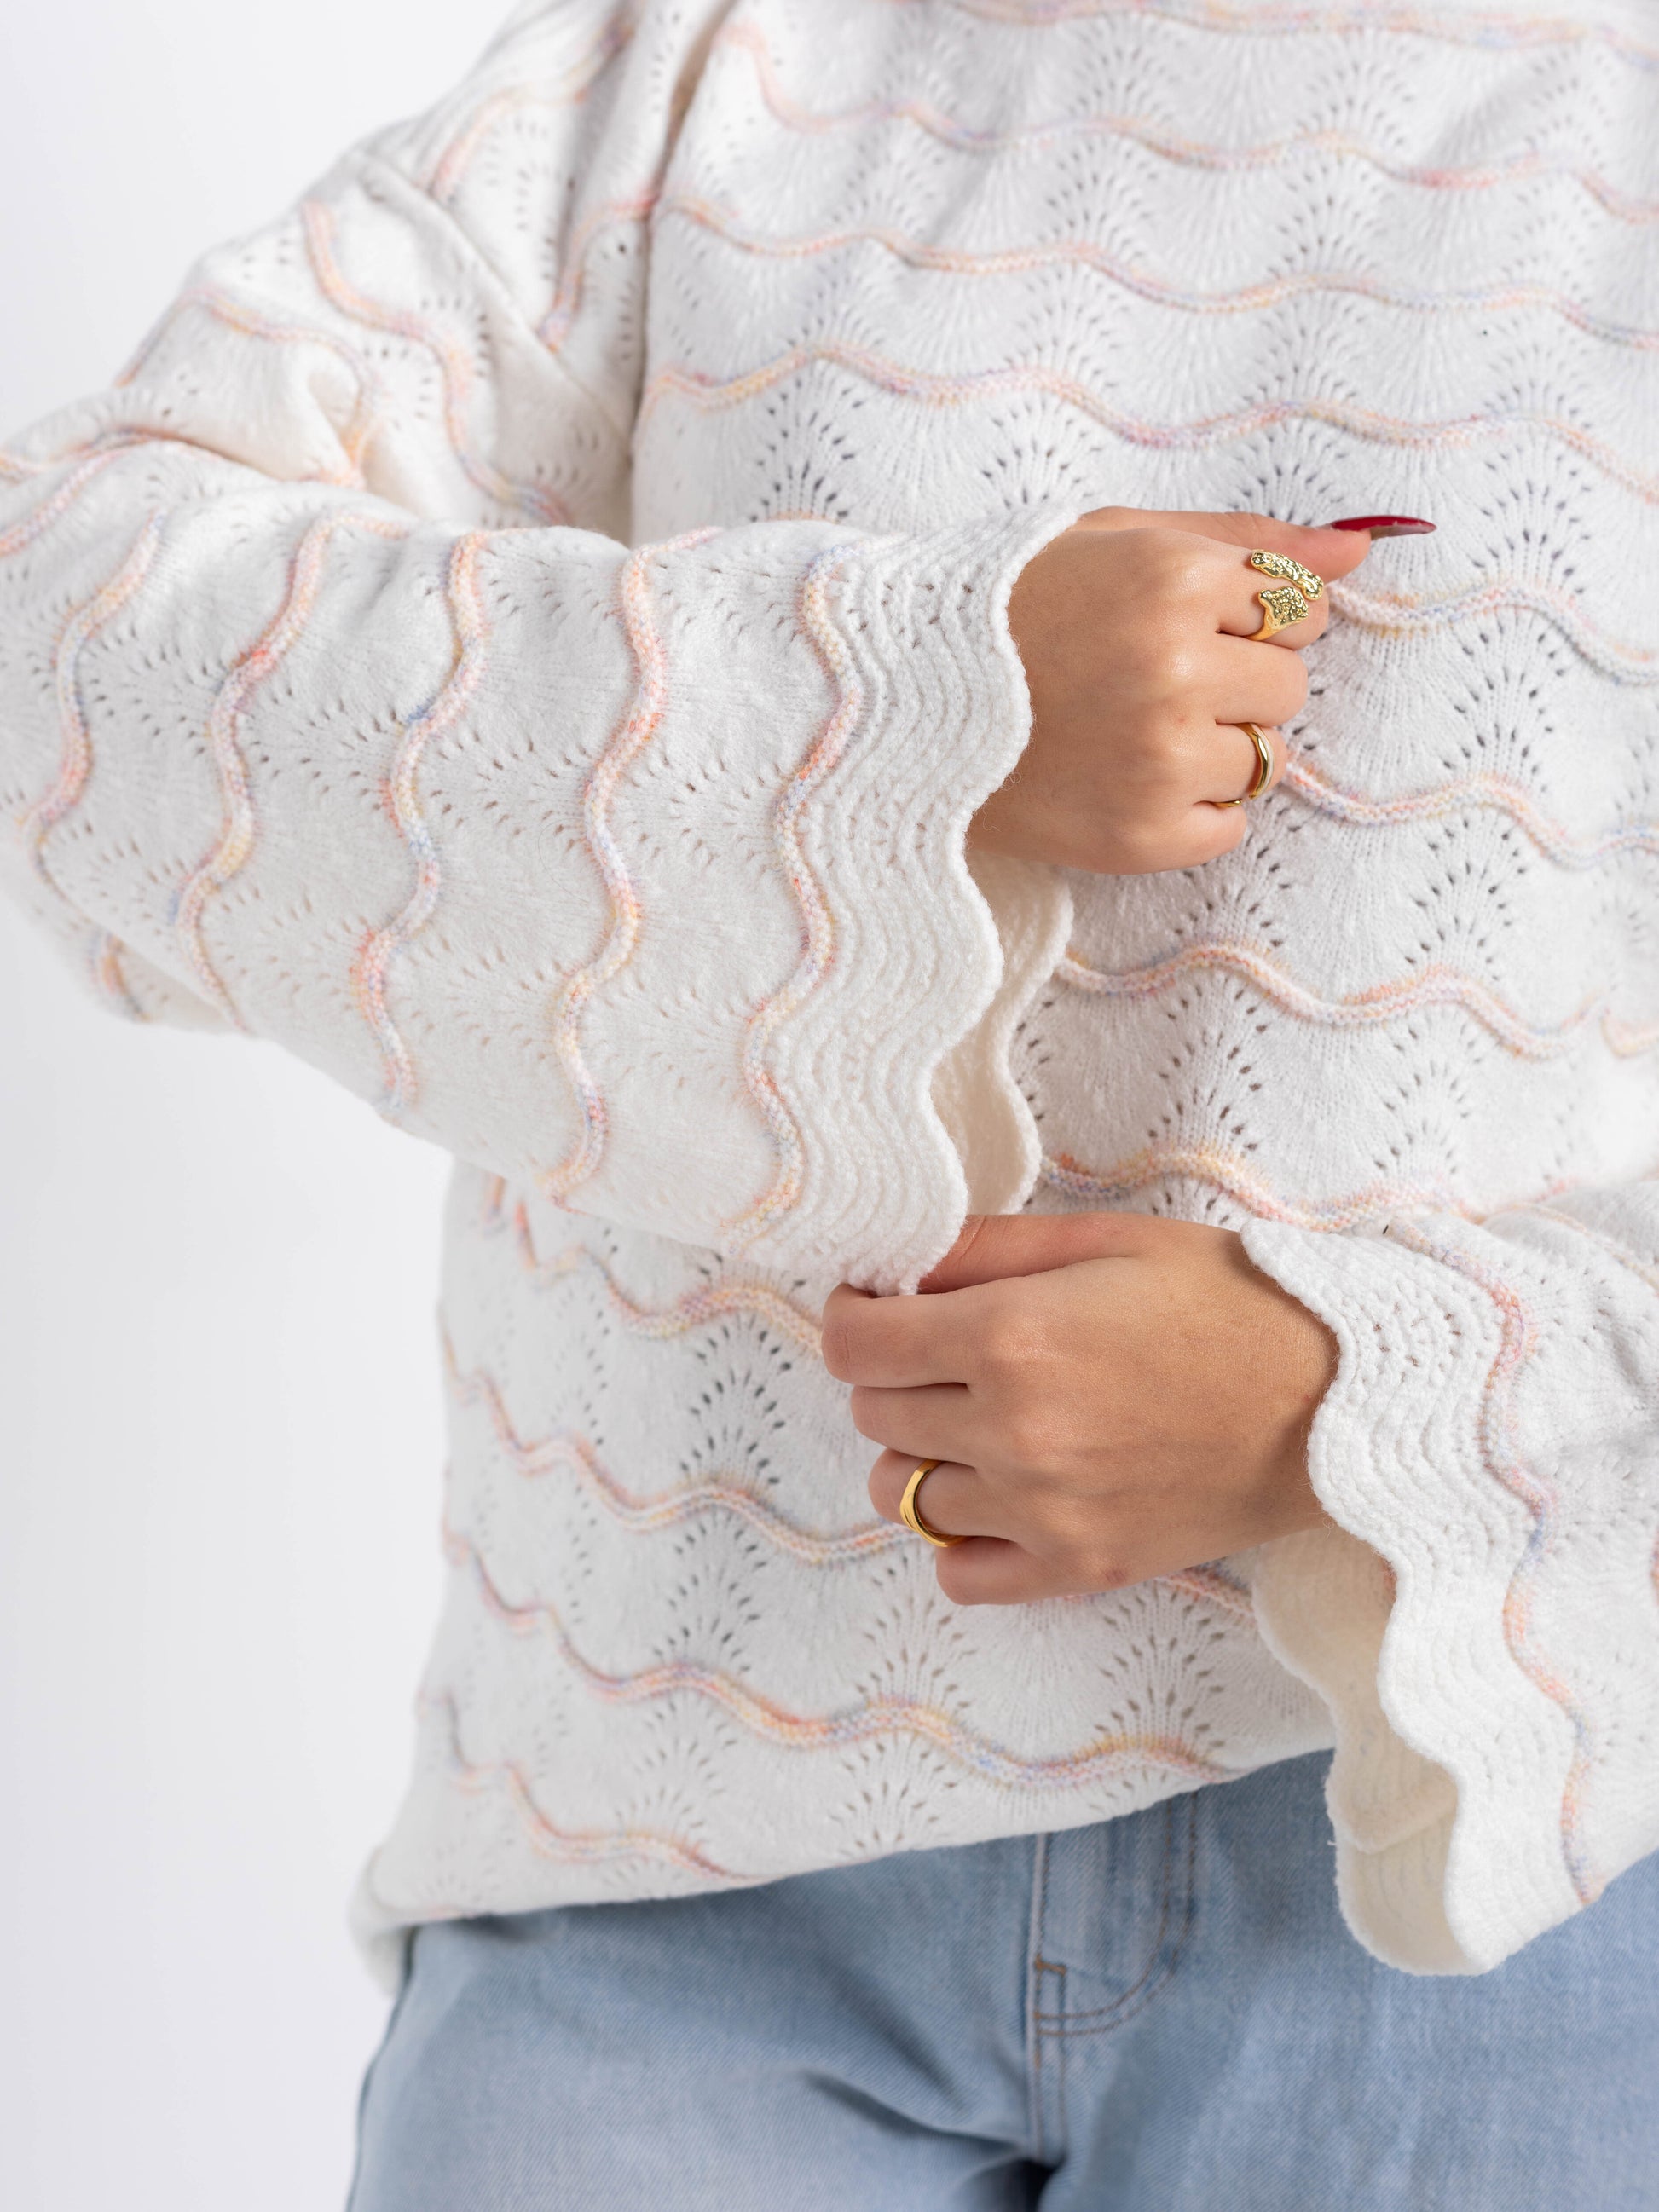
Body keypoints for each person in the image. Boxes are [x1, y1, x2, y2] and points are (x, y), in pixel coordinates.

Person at [4, 0, 1657, 2202]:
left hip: (1494, 1847)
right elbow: (64, 640)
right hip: (661, 1888)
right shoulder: (703, 68)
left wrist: (1365, 1401)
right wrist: (907, 712)